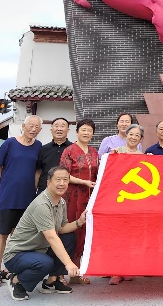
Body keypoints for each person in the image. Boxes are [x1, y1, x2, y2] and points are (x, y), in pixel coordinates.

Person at [3, 166, 87, 300]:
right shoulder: (42, 204)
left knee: (70, 238)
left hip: (39, 250)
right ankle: (16, 281)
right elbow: (51, 237)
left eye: (65, 180)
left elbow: (61, 228)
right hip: (17, 254)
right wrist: (69, 263)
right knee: (45, 263)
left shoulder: (61, 202)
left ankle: (51, 282)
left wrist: (79, 222)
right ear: (48, 182)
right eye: (58, 180)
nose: (62, 183)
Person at [0, 115, 43, 287]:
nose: (33, 129)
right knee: (2, 233)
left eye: (37, 127)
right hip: (8, 196)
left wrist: (34, 188)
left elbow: (37, 170)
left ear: (40, 130)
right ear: (23, 126)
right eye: (31, 126)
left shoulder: (38, 146)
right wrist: (6, 183)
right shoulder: (9, 143)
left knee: (19, 236)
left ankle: (11, 269)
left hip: (27, 197)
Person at [59, 118, 99, 283]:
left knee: (83, 233)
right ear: (77, 132)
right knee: (68, 232)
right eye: (83, 130)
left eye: (89, 130)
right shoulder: (69, 150)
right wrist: (84, 182)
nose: (86, 133)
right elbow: (63, 174)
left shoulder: (94, 152)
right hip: (71, 197)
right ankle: (60, 274)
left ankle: (77, 272)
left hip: (88, 199)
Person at [108, 123, 144, 285]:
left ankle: (127, 268)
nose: (133, 137)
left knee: (131, 236)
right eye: (131, 134)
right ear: (126, 135)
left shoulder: (143, 157)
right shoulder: (116, 152)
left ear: (140, 139)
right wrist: (112, 156)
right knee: (116, 236)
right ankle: (115, 271)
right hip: (118, 200)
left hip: (135, 201)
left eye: (137, 135)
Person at [35, 117, 73, 194]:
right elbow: (38, 171)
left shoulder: (73, 148)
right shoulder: (43, 149)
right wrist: (35, 188)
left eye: (62, 126)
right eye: (56, 126)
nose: (59, 129)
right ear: (51, 130)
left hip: (66, 192)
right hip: (45, 191)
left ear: (68, 130)